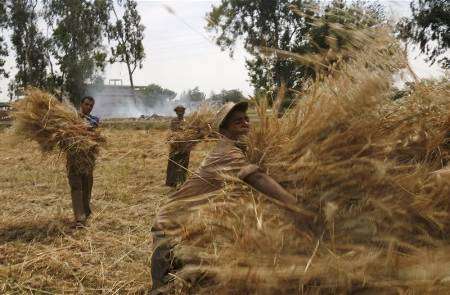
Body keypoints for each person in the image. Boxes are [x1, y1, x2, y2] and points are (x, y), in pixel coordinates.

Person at [150, 101, 305, 292]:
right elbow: (257, 178)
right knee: (167, 289)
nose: (245, 123)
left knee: (194, 286)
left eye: (246, 120)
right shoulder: (227, 153)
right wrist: (297, 207)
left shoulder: (238, 151)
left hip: (190, 231)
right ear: (223, 129)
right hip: (171, 229)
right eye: (237, 121)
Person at [67, 96, 100, 228]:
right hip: (74, 158)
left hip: (87, 159)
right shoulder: (70, 118)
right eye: (86, 104)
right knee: (76, 187)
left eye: (91, 105)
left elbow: (96, 135)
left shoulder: (94, 120)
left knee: (87, 187)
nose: (89, 107)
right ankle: (79, 219)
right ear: (81, 104)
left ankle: (86, 212)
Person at [165, 105, 190, 187]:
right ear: (176, 113)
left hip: (184, 147)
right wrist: (174, 139)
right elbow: (173, 133)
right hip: (175, 146)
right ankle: (172, 183)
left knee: (183, 164)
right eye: (178, 112)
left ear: (184, 112)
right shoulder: (174, 121)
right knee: (173, 164)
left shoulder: (187, 122)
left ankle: (182, 181)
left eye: (181, 112)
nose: (180, 114)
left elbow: (189, 132)